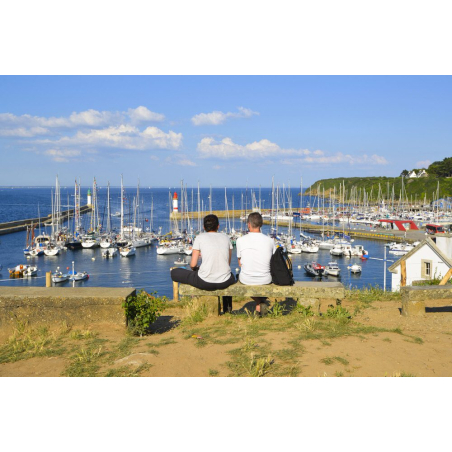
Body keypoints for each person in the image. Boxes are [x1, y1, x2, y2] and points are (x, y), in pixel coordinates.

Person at [170, 214, 235, 314]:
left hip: (205, 281)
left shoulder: (200, 238)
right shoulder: (226, 238)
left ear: (204, 227)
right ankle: (228, 310)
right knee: (230, 275)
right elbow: (227, 263)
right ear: (218, 226)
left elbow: (192, 264)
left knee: (175, 272)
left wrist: (197, 268)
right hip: (224, 281)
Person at [236, 212, 276, 316]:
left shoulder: (240, 240)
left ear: (248, 224)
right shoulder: (270, 241)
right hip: (266, 278)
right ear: (261, 224)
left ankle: (259, 302)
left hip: (246, 278)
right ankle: (261, 302)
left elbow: (240, 263)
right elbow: (273, 261)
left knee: (244, 281)